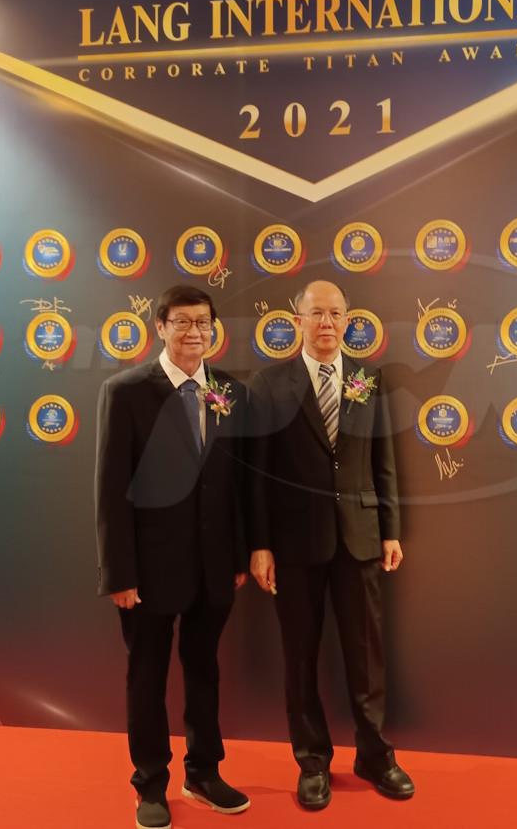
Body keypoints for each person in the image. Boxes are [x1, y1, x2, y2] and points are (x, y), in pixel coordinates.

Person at [248, 279, 414, 810]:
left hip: (360, 537)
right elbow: (256, 475)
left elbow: (383, 459)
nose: (327, 323)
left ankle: (374, 754)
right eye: (317, 313)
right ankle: (312, 760)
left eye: (336, 314)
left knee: (367, 654)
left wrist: (390, 529)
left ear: (348, 320)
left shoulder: (368, 378)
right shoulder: (268, 383)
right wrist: (260, 544)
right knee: (300, 656)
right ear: (297, 320)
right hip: (294, 543)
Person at [94, 285, 250, 829]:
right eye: (181, 322)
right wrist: (119, 572)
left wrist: (238, 554)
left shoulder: (230, 390)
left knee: (205, 671)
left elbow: (236, 482)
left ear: (214, 329)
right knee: (147, 676)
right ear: (160, 327)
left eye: (203, 322)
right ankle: (151, 784)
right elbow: (111, 489)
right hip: (148, 569)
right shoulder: (126, 391)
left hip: (214, 566)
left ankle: (203, 772)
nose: (193, 332)